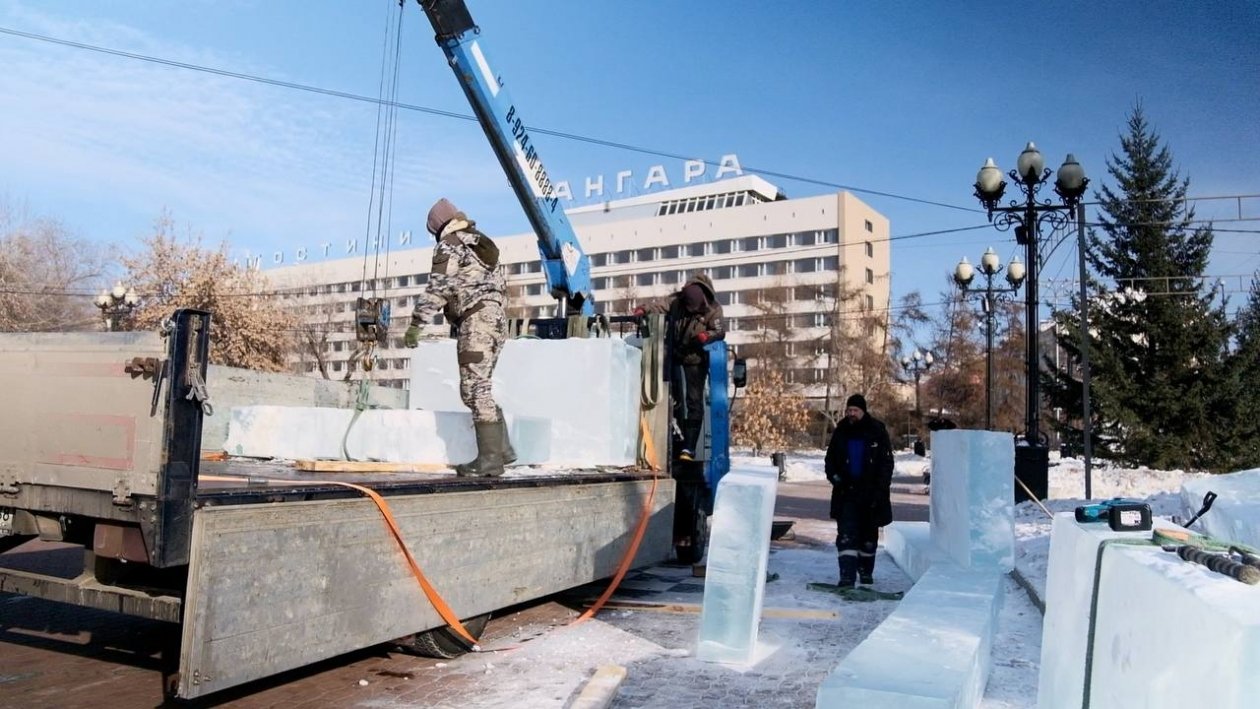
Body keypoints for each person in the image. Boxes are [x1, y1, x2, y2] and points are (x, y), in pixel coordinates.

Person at [404, 198, 513, 477]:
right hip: (496, 320)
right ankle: (502, 450)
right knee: (479, 386)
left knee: (475, 389)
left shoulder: (450, 244)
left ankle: (490, 460)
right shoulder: (481, 242)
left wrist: (417, 323)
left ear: (437, 227)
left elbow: (439, 287)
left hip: (476, 321)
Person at [635, 273, 725, 461]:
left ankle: (689, 447)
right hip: (675, 354)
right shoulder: (677, 301)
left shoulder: (714, 309)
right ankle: (671, 435)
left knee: (694, 400)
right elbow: (659, 306)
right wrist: (644, 309)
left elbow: (720, 330)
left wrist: (707, 336)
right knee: (671, 395)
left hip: (696, 358)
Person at [824, 393, 894, 588]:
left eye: (855, 410)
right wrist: (834, 477)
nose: (851, 414)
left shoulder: (877, 431)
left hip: (871, 494)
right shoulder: (841, 431)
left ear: (863, 411)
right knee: (846, 535)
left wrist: (880, 489)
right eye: (849, 410)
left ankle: (865, 572)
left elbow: (886, 463)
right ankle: (846, 576)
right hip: (846, 493)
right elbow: (830, 460)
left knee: (868, 537)